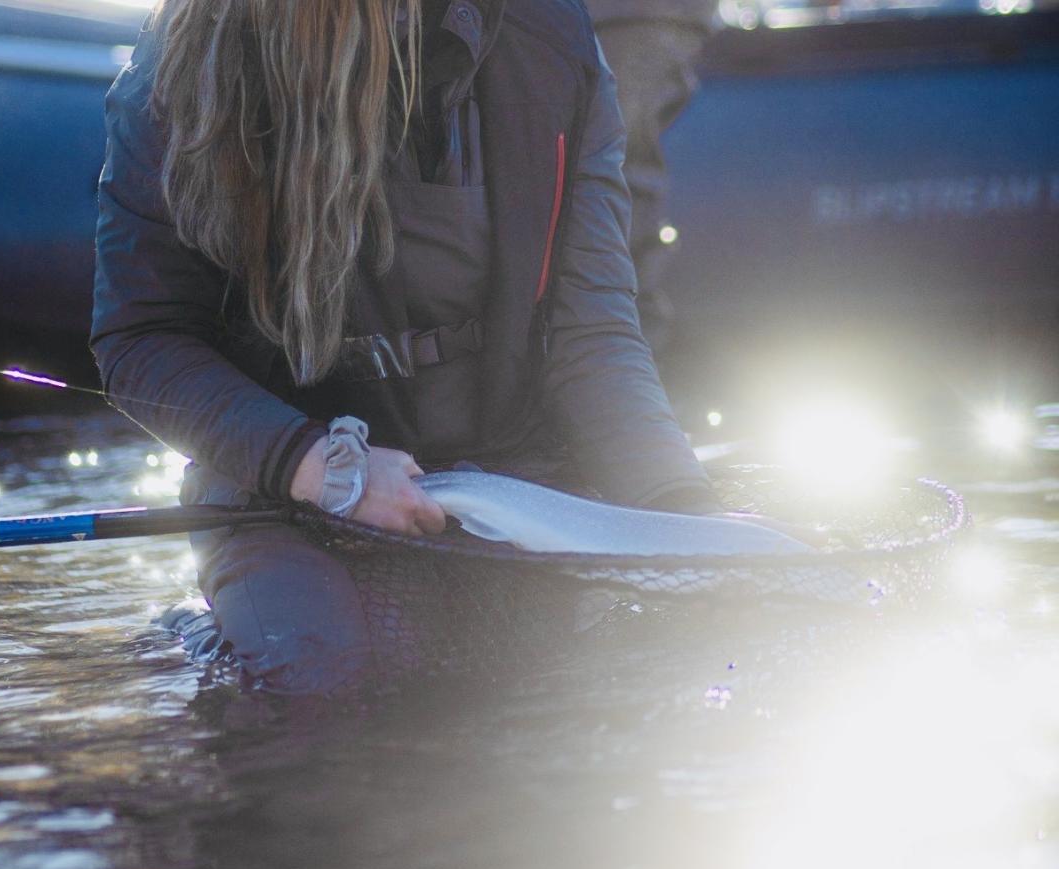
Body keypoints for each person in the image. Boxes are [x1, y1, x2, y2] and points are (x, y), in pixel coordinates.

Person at [91, 0, 722, 697]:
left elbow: (594, 335)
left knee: (582, 694)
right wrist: (319, 467)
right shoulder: (183, 69)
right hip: (285, 489)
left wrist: (686, 513)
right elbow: (142, 339)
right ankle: (208, 634)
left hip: (514, 477)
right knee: (322, 687)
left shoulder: (552, 36)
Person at [585, 0, 721, 348]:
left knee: (617, 188)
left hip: (635, 16)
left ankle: (630, 370)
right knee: (614, 186)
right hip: (620, 16)